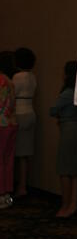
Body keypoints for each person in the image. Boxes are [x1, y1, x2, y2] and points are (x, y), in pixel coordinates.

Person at [50, 61, 77, 217]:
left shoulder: (67, 93)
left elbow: (53, 110)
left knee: (65, 169)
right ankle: (73, 204)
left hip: (69, 130)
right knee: (75, 170)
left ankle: (66, 205)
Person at [13, 47, 37, 197]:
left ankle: (20, 187)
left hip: (19, 113)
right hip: (30, 112)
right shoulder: (32, 76)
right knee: (25, 153)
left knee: (18, 153)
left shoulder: (17, 76)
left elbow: (11, 93)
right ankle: (23, 185)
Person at [0, 52, 17, 208]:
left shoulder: (1, 80)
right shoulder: (10, 81)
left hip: (1, 123)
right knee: (7, 160)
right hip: (11, 122)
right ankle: (6, 194)